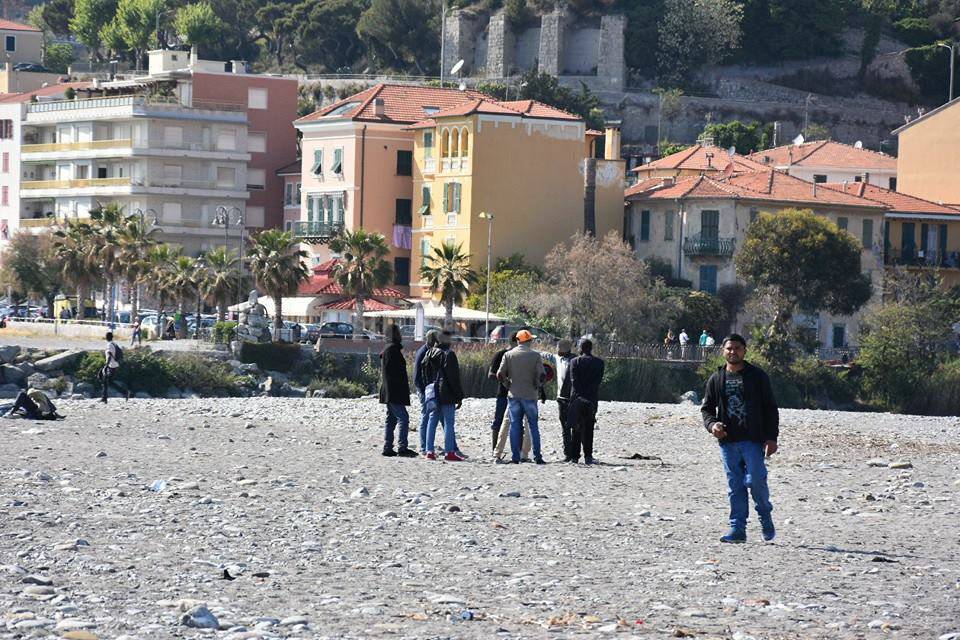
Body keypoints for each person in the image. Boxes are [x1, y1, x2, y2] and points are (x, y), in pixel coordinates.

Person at [701, 333, 779, 544]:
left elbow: (771, 408)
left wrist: (771, 438)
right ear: (723, 351)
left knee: (755, 481)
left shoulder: (758, 376)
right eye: (729, 348)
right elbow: (707, 409)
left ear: (744, 351)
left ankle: (765, 516)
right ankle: (737, 529)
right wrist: (712, 425)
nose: (733, 352)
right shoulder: (716, 378)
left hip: (753, 440)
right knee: (735, 485)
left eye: (737, 348)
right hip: (728, 442)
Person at [497, 329, 546, 464]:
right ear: (529, 341)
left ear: (518, 341)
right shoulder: (535, 356)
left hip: (514, 395)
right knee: (533, 426)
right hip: (530, 395)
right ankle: (537, 457)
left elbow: (500, 374)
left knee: (514, 426)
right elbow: (542, 375)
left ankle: (515, 457)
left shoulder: (508, 355)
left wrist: (508, 385)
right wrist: (537, 385)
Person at [422, 331, 466, 461]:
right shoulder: (449, 354)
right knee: (449, 423)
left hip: (432, 390)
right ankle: (449, 452)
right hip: (446, 392)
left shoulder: (429, 352)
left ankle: (429, 451)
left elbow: (423, 372)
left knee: (432, 420)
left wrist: (428, 386)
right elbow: (453, 378)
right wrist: (459, 396)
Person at [564, 339, 605, 464]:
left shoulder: (574, 362)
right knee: (589, 427)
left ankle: (575, 456)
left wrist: (579, 395)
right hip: (591, 398)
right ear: (591, 348)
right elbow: (597, 382)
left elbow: (573, 381)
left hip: (577, 397)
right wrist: (588, 394)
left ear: (581, 348)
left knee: (576, 427)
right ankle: (588, 455)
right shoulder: (599, 363)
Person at [379, 324, 416, 458]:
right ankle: (402, 447)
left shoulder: (387, 349)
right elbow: (395, 373)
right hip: (394, 391)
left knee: (391, 419)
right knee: (403, 418)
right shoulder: (393, 350)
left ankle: (388, 447)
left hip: (389, 391)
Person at [413, 330, 440, 454]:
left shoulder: (427, 350)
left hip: (427, 389)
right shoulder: (423, 352)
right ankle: (424, 446)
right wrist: (423, 391)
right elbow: (417, 375)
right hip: (424, 390)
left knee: (429, 416)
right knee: (425, 416)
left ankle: (426, 446)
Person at [100, 331, 122, 403]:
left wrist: (106, 366)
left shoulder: (109, 345)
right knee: (107, 381)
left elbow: (109, 356)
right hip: (113, 365)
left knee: (105, 380)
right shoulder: (114, 343)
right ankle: (104, 398)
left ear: (107, 337)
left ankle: (104, 398)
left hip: (111, 366)